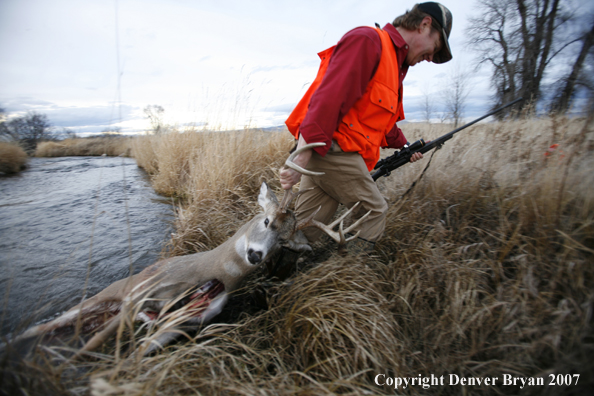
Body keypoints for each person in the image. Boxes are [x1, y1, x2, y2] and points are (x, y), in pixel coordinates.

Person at [274, 2, 453, 275]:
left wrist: (407, 146)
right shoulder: (369, 41)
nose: (431, 57)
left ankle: (273, 282)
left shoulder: (394, 66)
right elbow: (327, 101)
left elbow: (379, 123)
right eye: (436, 47)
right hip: (332, 151)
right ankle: (347, 278)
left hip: (328, 156)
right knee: (375, 211)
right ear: (425, 25)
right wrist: (301, 156)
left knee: (306, 226)